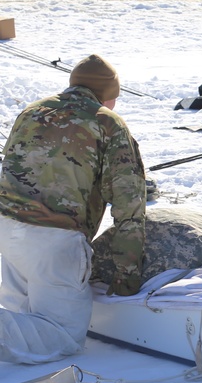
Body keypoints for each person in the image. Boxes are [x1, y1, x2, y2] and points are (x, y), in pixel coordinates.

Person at [0, 54, 146, 364]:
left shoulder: (32, 110)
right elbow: (128, 201)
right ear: (108, 93)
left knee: (18, 325)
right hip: (53, 238)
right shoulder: (106, 120)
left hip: (7, 227)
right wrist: (128, 271)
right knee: (63, 336)